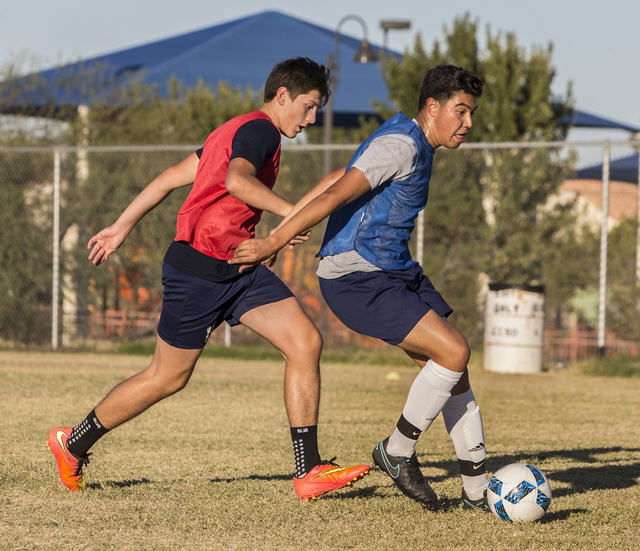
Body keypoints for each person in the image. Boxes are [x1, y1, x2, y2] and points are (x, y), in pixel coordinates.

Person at [47, 57, 370, 501]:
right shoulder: (260, 132)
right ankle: (73, 442)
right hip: (198, 271)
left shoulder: (232, 131)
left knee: (304, 342)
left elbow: (167, 179)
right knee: (167, 378)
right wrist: (291, 215)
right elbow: (238, 182)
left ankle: (308, 469)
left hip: (240, 268)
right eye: (309, 106)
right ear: (283, 97)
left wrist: (122, 226)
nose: (312, 119)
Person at [230, 64, 489, 510]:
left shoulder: (411, 139)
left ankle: (478, 492)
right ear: (432, 107)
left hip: (394, 269)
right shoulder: (400, 145)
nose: (468, 124)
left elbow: (334, 177)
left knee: (453, 372)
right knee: (454, 351)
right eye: (461, 112)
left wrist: (283, 228)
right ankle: (397, 452)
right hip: (357, 276)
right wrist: (274, 239)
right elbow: (336, 194)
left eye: (472, 114)